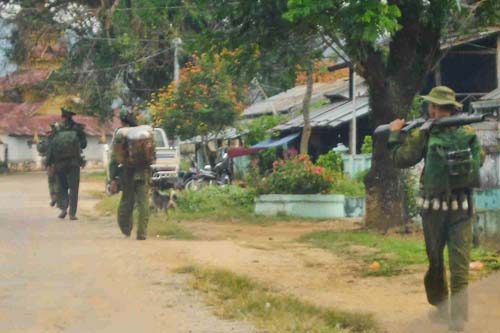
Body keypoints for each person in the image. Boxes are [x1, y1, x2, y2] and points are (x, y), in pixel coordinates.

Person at [388, 86, 483, 331]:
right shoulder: (468, 131)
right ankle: (457, 321)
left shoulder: (425, 133)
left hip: (434, 209)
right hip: (463, 207)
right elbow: (479, 160)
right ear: (453, 108)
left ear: (432, 108)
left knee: (436, 261)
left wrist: (394, 135)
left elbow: (402, 159)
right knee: (460, 266)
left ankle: (443, 309)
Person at [109, 107, 152, 240]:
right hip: (143, 170)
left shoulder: (121, 133)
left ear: (122, 120)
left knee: (126, 201)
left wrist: (113, 176)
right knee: (143, 202)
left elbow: (115, 158)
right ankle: (142, 233)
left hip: (127, 172)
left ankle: (126, 229)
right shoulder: (144, 132)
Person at [47, 108, 87, 220]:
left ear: (63, 118)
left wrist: (49, 163)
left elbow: (50, 148)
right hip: (74, 163)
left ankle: (63, 208)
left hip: (59, 164)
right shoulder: (77, 129)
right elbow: (84, 145)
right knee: (74, 188)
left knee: (62, 186)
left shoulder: (56, 129)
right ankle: (72, 213)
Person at [37, 122, 59, 207]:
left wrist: (47, 163)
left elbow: (43, 152)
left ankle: (54, 198)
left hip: (51, 165)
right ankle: (58, 198)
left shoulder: (47, 142)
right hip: (61, 164)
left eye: (47, 132)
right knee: (58, 182)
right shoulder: (60, 140)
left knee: (51, 182)